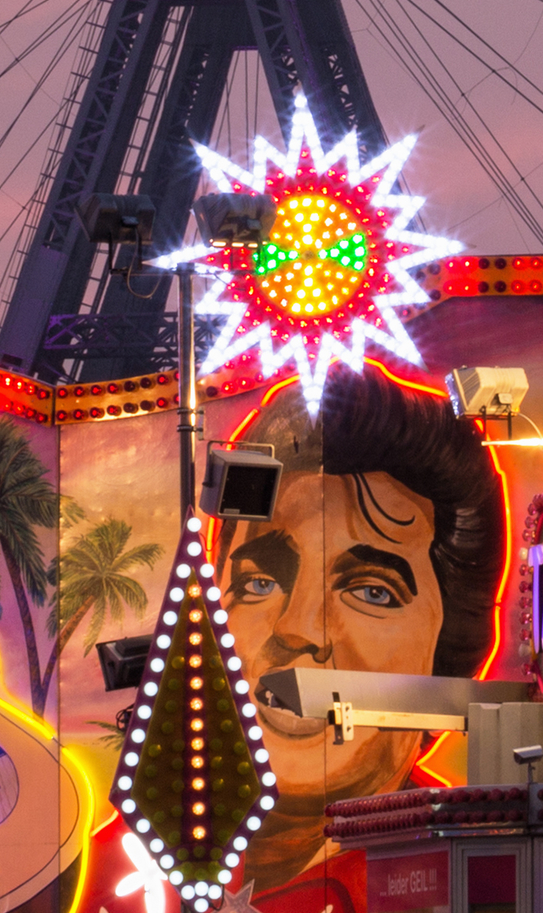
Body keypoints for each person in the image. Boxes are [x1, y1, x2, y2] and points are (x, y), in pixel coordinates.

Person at [216, 370, 505, 876]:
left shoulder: (474, 872)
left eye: (372, 592)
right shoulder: (112, 877)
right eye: (260, 583)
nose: (299, 630)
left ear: (447, 653)